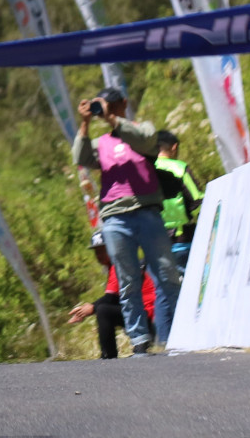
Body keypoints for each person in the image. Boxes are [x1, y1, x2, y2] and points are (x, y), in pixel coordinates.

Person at [71, 86, 183, 355]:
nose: (106, 110)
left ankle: (182, 332)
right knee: (128, 279)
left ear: (123, 103)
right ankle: (139, 339)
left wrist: (112, 119)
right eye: (103, 106)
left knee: (167, 272)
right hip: (114, 218)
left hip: (146, 210)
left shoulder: (142, 129)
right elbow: (80, 157)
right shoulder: (102, 143)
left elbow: (145, 141)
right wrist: (85, 123)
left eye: (111, 105)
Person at [68, 231, 155, 359]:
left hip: (149, 319)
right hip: (140, 315)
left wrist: (91, 308)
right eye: (96, 252)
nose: (99, 255)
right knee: (103, 309)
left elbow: (111, 298)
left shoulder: (119, 263)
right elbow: (115, 298)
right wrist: (91, 308)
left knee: (104, 310)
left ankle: (108, 356)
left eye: (102, 250)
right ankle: (109, 355)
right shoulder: (114, 264)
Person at [154, 130, 203, 267]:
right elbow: (197, 201)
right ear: (174, 147)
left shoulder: (145, 170)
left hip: (156, 245)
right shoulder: (179, 168)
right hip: (183, 240)